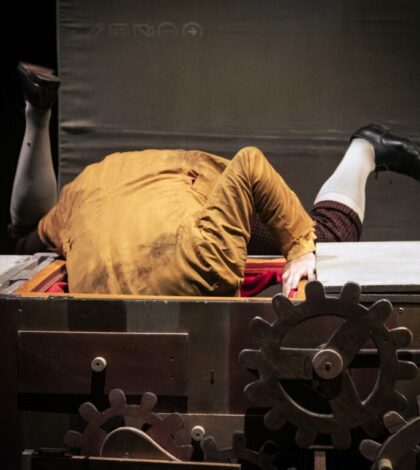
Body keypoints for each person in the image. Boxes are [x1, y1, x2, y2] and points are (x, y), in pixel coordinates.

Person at [9, 62, 420, 297]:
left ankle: (366, 147)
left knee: (323, 239)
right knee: (27, 237)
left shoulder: (206, 258)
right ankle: (37, 113)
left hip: (135, 185)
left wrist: (299, 248)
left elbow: (249, 165)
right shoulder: (197, 265)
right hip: (96, 190)